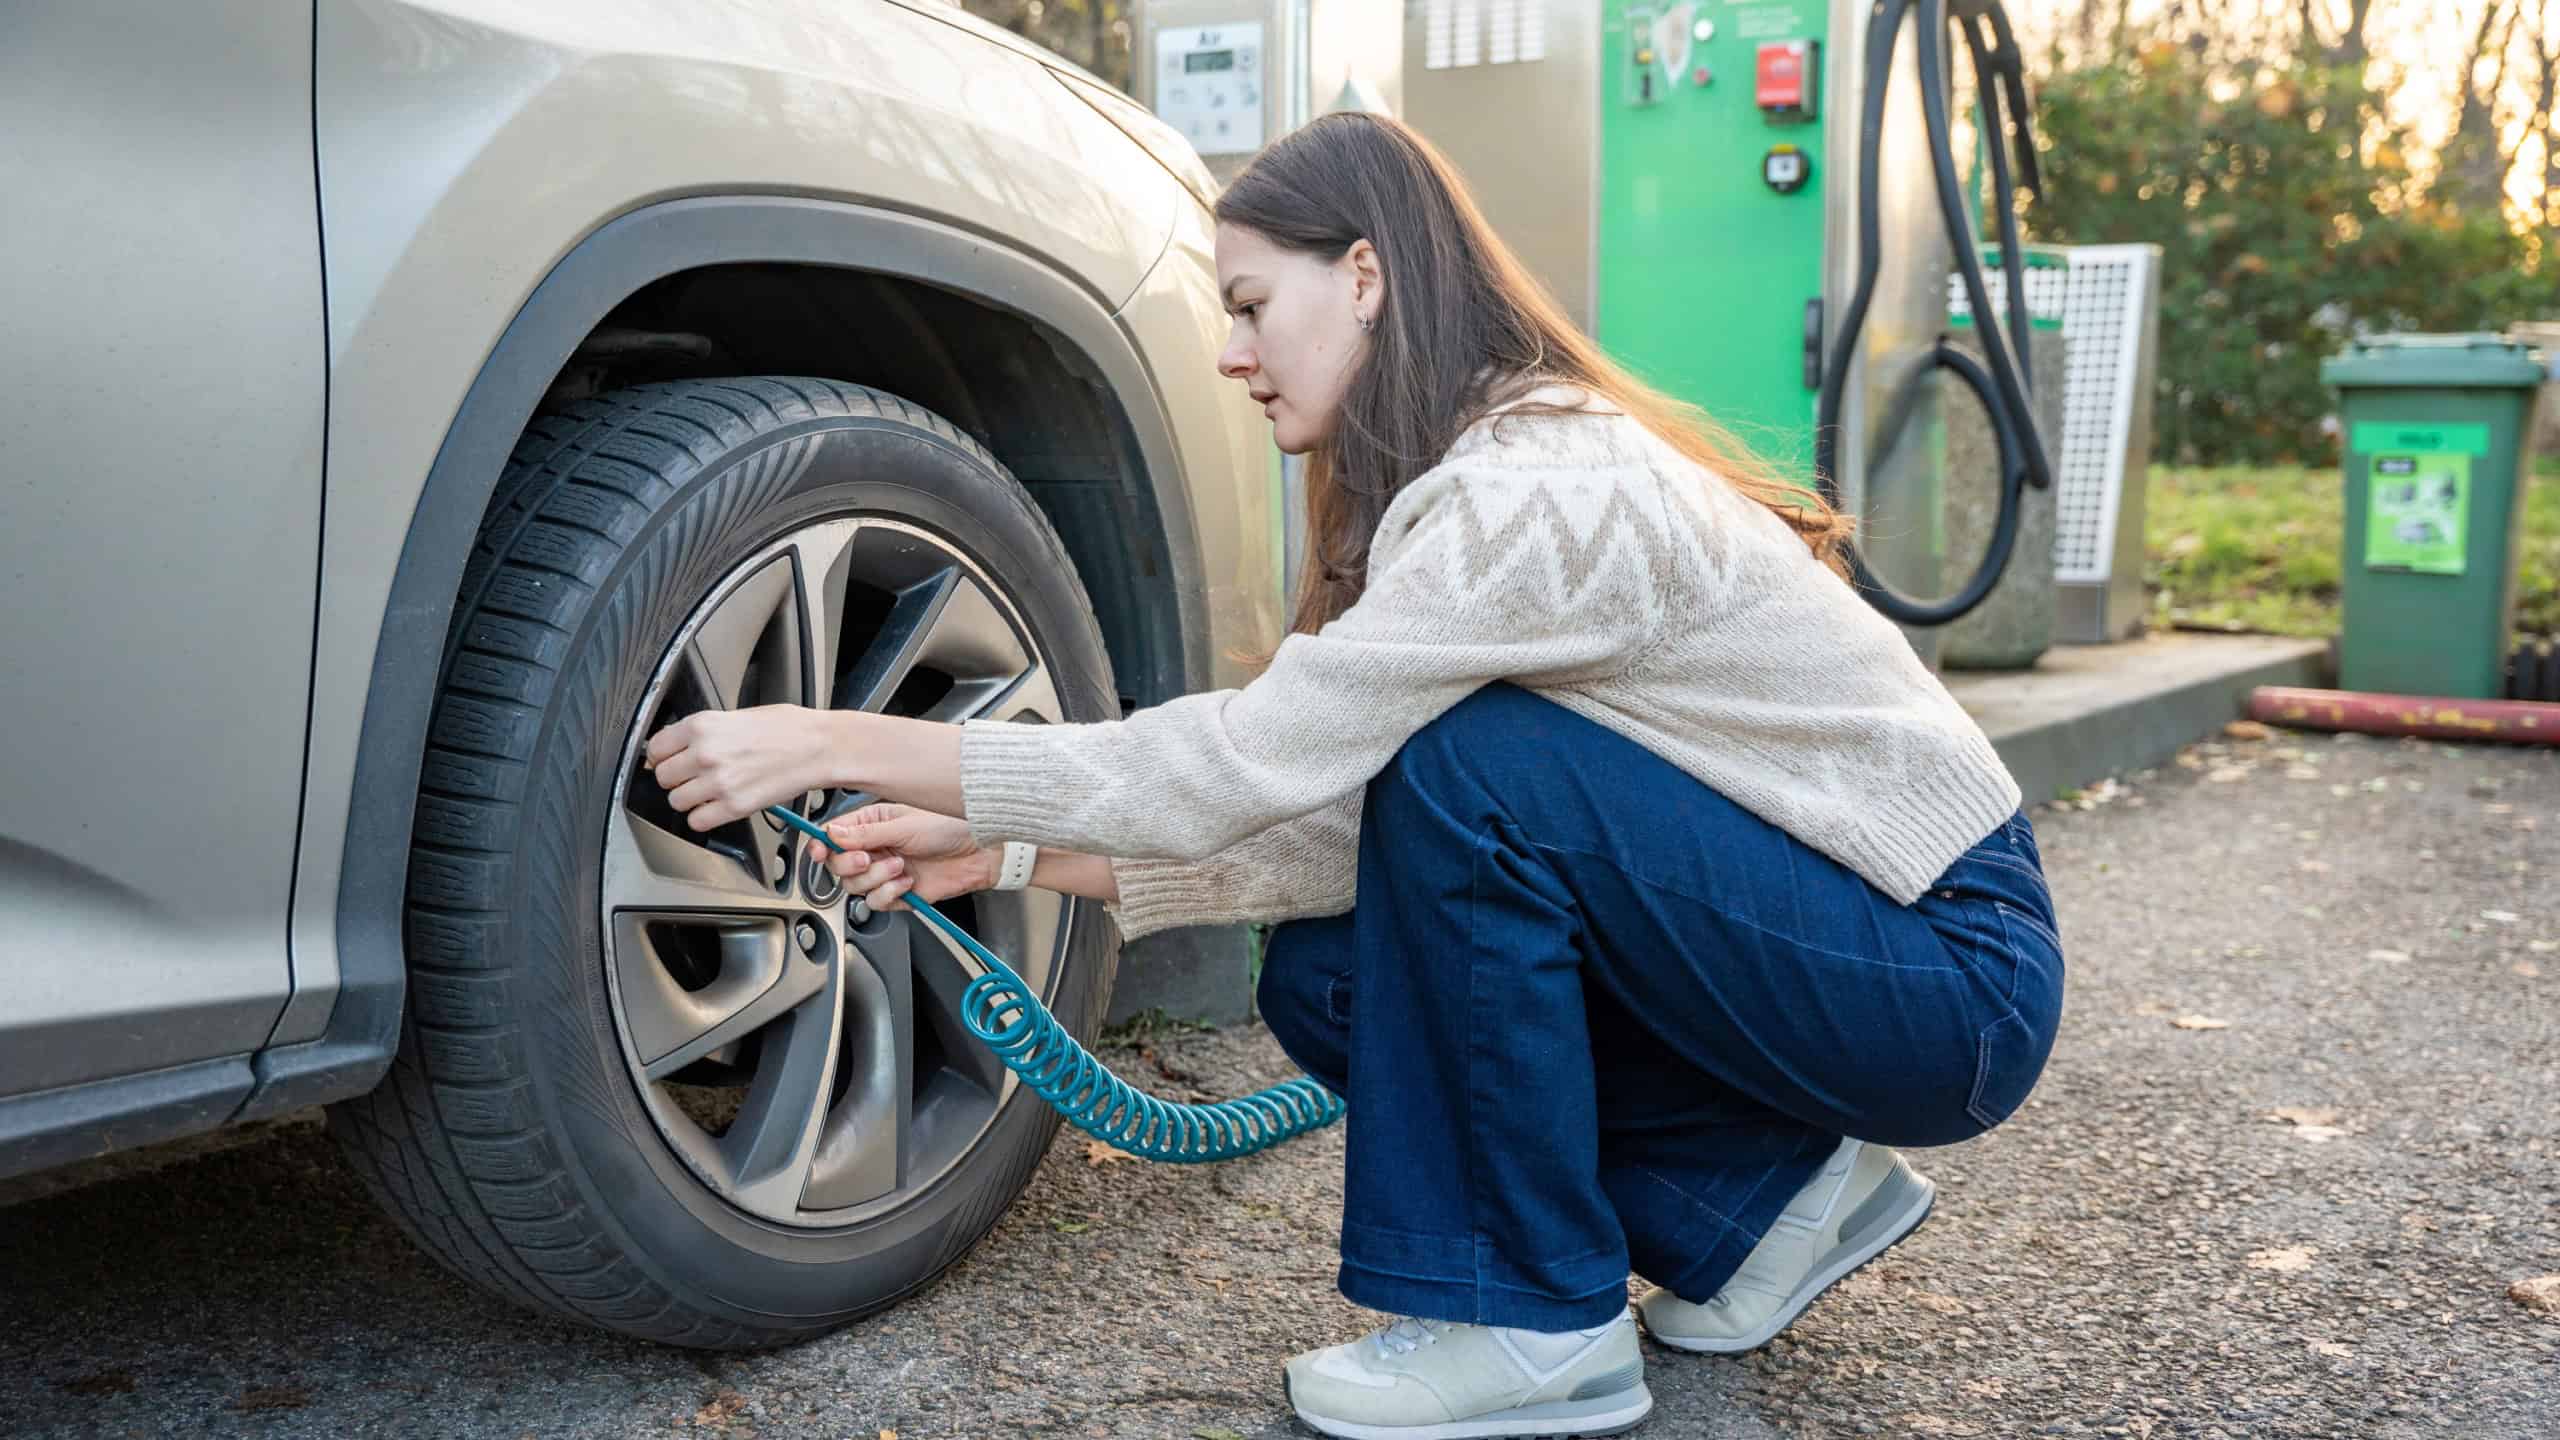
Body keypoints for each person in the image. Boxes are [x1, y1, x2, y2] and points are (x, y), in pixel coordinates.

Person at [641, 112, 2064, 1440]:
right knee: (1328, 972)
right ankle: (1768, 1205)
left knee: (1475, 764)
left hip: (1948, 966)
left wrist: (839, 737)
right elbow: (1349, 832)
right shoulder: (1476, 484)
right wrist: (1003, 852)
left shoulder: (1534, 491)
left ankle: (1528, 1326)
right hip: (1851, 954)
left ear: (1367, 274)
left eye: (1252, 306)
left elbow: (1257, 759)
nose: (1233, 354)